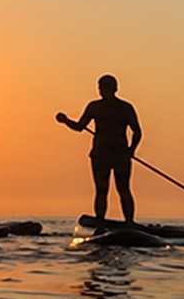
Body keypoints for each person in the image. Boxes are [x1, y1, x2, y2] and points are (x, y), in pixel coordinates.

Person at [56, 74, 142, 222]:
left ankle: (128, 222)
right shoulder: (97, 107)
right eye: (101, 88)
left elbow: (137, 132)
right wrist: (66, 120)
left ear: (114, 89)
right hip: (103, 154)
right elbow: (79, 127)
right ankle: (101, 220)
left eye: (103, 88)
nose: (102, 91)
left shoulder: (122, 108)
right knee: (103, 190)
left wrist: (130, 151)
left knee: (121, 189)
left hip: (118, 154)